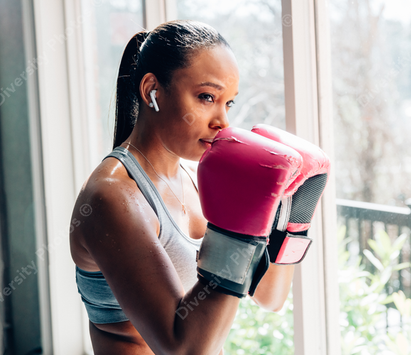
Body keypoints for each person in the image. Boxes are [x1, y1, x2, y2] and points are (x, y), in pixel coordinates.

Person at [69, 20, 297, 354]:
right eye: (207, 97)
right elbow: (185, 349)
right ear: (152, 91)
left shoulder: (196, 179)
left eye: (228, 102)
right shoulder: (113, 196)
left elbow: (270, 297)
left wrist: (292, 208)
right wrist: (241, 232)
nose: (222, 121)